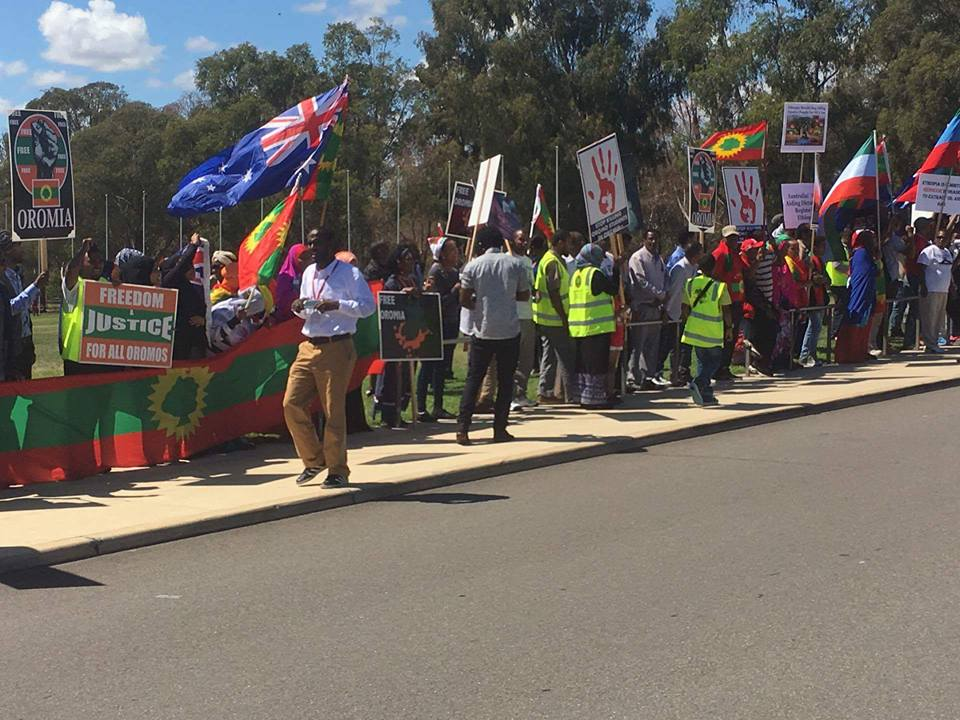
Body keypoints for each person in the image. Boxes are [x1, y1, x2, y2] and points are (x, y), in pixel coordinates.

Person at [284, 227, 376, 487]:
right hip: (308, 345)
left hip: (337, 346)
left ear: (332, 244)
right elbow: (306, 308)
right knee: (290, 403)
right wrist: (298, 308)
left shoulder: (350, 274)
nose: (313, 248)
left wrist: (336, 305)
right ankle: (313, 460)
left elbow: (367, 307)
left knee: (332, 411)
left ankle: (337, 470)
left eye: (318, 242)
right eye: (310, 243)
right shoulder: (309, 273)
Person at [456, 226, 530, 445]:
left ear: (481, 245)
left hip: (483, 331)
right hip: (509, 330)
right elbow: (524, 295)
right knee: (506, 382)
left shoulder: (473, 266)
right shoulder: (516, 264)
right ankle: (499, 429)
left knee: (473, 380)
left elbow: (464, 299)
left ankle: (462, 429)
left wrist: (480, 305)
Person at [569, 243, 619, 409]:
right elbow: (612, 289)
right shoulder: (595, 274)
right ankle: (595, 399)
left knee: (583, 365)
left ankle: (582, 396)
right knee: (597, 365)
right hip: (596, 327)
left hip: (579, 327)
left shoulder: (577, 274)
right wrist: (617, 270)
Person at [376, 244, 420, 427]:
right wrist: (401, 295)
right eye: (407, 259)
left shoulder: (411, 280)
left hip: (411, 335)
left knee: (407, 376)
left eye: (412, 259)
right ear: (398, 262)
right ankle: (388, 415)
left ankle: (400, 412)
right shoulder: (392, 282)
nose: (411, 263)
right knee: (393, 377)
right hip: (395, 336)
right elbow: (386, 304)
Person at [417, 237, 460, 421]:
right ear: (442, 254)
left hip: (451, 323)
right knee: (428, 366)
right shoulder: (436, 272)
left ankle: (438, 406)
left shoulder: (454, 272)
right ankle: (420, 408)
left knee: (441, 369)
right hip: (436, 325)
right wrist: (454, 292)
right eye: (452, 250)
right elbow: (435, 302)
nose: (456, 254)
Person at [681, 254, 732, 406]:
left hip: (695, 330)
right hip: (712, 332)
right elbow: (727, 310)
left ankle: (706, 395)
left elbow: (684, 307)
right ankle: (699, 382)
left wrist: (688, 321)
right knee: (715, 361)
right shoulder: (719, 286)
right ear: (714, 267)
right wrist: (729, 328)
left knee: (702, 362)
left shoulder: (690, 284)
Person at [533, 228, 575, 404]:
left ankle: (545, 392)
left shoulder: (551, 260)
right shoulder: (552, 263)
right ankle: (569, 395)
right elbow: (554, 292)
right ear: (560, 243)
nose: (570, 247)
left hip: (545, 318)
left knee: (549, 355)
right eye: (568, 243)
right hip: (555, 319)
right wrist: (564, 317)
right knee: (566, 356)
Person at [0, 231, 47, 380]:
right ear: (7, 250)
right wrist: (35, 287)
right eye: (18, 245)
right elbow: (10, 308)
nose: (22, 249)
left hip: (25, 342)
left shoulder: (18, 274)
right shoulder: (2, 278)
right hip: (11, 347)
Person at [60, 238, 109, 375]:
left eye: (100, 261)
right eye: (92, 261)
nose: (97, 265)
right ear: (81, 263)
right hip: (77, 360)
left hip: (102, 358)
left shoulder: (107, 285)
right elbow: (71, 271)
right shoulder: (74, 286)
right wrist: (83, 250)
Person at [627, 229, 667, 390]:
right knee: (638, 345)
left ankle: (647, 377)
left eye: (656, 239)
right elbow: (640, 281)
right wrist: (659, 294)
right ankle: (632, 378)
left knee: (652, 345)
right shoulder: (638, 257)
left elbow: (664, 280)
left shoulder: (659, 259)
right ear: (644, 240)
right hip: (642, 307)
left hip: (656, 307)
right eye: (650, 239)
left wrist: (663, 298)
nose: (653, 242)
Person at [161, 233, 208, 360]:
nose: (193, 270)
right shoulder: (170, 281)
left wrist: (204, 320)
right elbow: (181, 266)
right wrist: (193, 246)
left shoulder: (187, 285)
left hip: (195, 340)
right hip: (182, 342)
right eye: (190, 268)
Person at [660, 240, 701, 385]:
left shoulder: (694, 267)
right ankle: (672, 373)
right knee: (673, 345)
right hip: (675, 313)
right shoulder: (680, 269)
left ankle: (684, 371)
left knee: (686, 346)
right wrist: (667, 311)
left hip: (688, 313)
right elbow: (674, 292)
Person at [835, 230, 878, 363]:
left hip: (868, 293)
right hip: (860, 293)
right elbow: (865, 274)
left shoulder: (867, 254)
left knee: (865, 323)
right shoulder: (861, 253)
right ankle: (850, 354)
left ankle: (861, 351)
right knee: (856, 322)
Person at [709, 225, 744, 381]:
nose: (734, 240)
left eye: (735, 237)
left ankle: (725, 366)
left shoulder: (735, 254)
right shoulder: (720, 254)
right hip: (725, 302)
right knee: (726, 335)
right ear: (724, 238)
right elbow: (714, 276)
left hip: (736, 299)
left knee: (732, 335)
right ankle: (718, 367)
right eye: (731, 238)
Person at [890, 218, 930, 347]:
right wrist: (911, 237)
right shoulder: (916, 240)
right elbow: (912, 255)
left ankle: (914, 338)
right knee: (911, 309)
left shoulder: (925, 241)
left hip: (918, 276)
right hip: (913, 276)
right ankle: (908, 339)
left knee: (916, 310)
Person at [918, 228, 954, 354]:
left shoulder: (947, 253)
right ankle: (930, 343)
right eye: (939, 237)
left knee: (939, 318)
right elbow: (921, 268)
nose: (941, 240)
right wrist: (923, 286)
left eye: (944, 238)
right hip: (931, 289)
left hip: (943, 289)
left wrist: (952, 285)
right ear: (935, 238)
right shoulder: (928, 251)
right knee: (930, 317)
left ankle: (935, 342)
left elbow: (949, 270)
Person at [209, 287, 272, 353]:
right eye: (260, 314)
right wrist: (235, 320)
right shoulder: (227, 310)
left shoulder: (248, 320)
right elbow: (213, 337)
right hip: (215, 357)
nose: (258, 318)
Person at [799, 235, 829, 367]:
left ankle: (812, 354)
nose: (824, 249)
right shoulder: (810, 259)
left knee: (816, 328)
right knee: (813, 327)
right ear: (815, 246)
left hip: (820, 298)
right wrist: (819, 279)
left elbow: (825, 279)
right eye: (822, 246)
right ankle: (805, 355)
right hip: (812, 297)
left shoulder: (820, 260)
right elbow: (815, 278)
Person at [274, 242, 314, 321]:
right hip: (288, 320)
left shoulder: (312, 274)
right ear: (293, 258)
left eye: (308, 258)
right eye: (302, 258)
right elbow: (282, 301)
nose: (306, 261)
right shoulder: (285, 276)